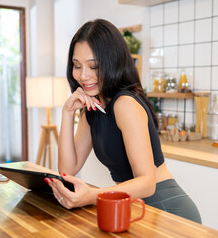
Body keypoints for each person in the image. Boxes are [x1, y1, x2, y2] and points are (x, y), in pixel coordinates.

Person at [45, 19, 202, 224]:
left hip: (166, 209)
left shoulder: (124, 103)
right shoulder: (93, 109)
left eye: (94, 66)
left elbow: (147, 184)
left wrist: (93, 195)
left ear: (113, 62)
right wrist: (67, 112)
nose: (83, 75)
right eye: (77, 66)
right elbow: (68, 169)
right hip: (133, 206)